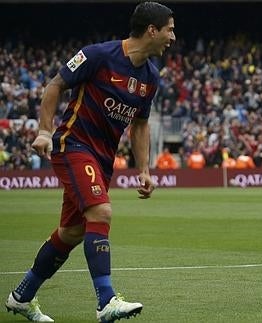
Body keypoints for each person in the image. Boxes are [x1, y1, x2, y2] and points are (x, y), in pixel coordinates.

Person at [5, 2, 175, 322]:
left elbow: (139, 124)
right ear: (151, 30)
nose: (173, 37)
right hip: (73, 144)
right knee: (101, 211)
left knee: (70, 233)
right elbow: (54, 85)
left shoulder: (150, 77)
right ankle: (106, 300)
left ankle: (21, 296)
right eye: (170, 29)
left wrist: (144, 169)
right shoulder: (97, 55)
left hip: (103, 159)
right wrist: (44, 131)